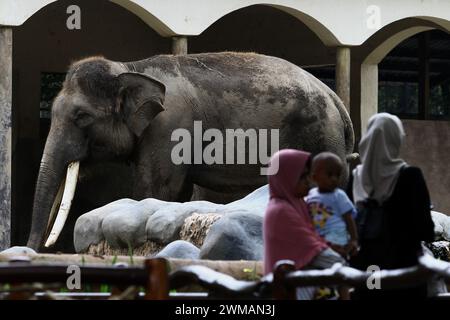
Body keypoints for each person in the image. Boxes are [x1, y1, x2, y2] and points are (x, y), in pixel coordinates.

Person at [348, 113, 435, 299]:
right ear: (395, 140)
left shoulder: (355, 178)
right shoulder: (410, 176)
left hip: (366, 271)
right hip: (404, 273)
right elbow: (426, 230)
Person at [263, 149, 347, 300]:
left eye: (308, 175)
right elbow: (320, 254)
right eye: (302, 177)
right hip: (292, 290)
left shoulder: (297, 203)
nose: (309, 181)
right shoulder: (280, 211)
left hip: (302, 284)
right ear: (286, 178)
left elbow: (313, 237)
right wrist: (340, 258)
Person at [307, 152, 358, 259]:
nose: (334, 179)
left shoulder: (339, 195)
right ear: (314, 177)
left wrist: (353, 240)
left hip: (337, 236)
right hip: (319, 238)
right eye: (329, 175)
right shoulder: (311, 195)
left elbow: (348, 219)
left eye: (338, 175)